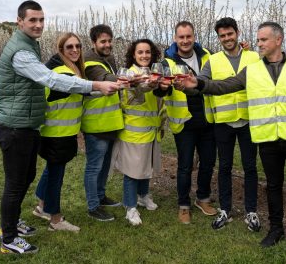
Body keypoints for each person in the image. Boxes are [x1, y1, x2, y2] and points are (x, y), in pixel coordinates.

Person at [177, 21, 286, 254]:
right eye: (257, 40)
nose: (258, 44)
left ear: (278, 40)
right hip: (267, 137)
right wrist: (197, 83)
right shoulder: (253, 69)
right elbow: (225, 86)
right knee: (273, 185)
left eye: (263, 40)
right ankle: (276, 229)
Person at [0, 1, 119, 254]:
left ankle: (14, 222)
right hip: (14, 126)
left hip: (27, 125)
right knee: (16, 183)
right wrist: (96, 86)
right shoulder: (22, 52)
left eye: (41, 20)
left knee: (26, 177)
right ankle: (8, 237)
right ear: (19, 21)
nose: (38, 24)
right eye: (32, 20)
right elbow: (49, 79)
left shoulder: (30, 45)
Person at [198, 17, 261, 231]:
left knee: (250, 166)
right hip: (223, 122)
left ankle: (251, 211)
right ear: (219, 38)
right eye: (222, 36)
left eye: (230, 34)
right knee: (224, 166)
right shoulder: (213, 61)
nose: (227, 38)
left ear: (237, 33)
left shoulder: (254, 57)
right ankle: (225, 209)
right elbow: (201, 83)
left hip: (249, 120)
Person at [159, 21, 217, 224]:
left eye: (188, 36)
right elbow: (161, 90)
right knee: (184, 166)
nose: (185, 41)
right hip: (184, 121)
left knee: (208, 162)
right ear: (175, 38)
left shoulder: (208, 56)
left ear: (194, 37)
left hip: (208, 119)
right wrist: (163, 87)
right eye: (181, 37)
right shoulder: (167, 62)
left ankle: (203, 198)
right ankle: (183, 205)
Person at [32, 33, 87, 233]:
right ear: (61, 50)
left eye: (78, 46)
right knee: (56, 176)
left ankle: (41, 206)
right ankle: (55, 219)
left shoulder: (63, 69)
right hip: (57, 134)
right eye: (69, 47)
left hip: (58, 132)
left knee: (51, 170)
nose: (75, 50)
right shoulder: (62, 73)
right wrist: (113, 85)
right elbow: (85, 89)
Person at [112, 39, 163, 225]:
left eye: (147, 52)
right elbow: (140, 88)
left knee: (145, 167)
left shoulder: (154, 72)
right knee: (132, 171)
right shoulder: (130, 75)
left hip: (150, 130)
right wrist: (152, 84)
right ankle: (130, 206)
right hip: (133, 132)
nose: (144, 56)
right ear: (133, 55)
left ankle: (143, 196)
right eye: (140, 52)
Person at [81, 24, 125, 222]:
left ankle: (100, 195)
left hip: (109, 121)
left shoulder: (109, 58)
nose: (107, 45)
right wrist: (133, 77)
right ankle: (93, 206)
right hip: (96, 123)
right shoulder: (89, 62)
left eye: (109, 41)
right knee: (94, 166)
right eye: (102, 41)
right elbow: (106, 78)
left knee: (105, 164)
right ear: (93, 43)